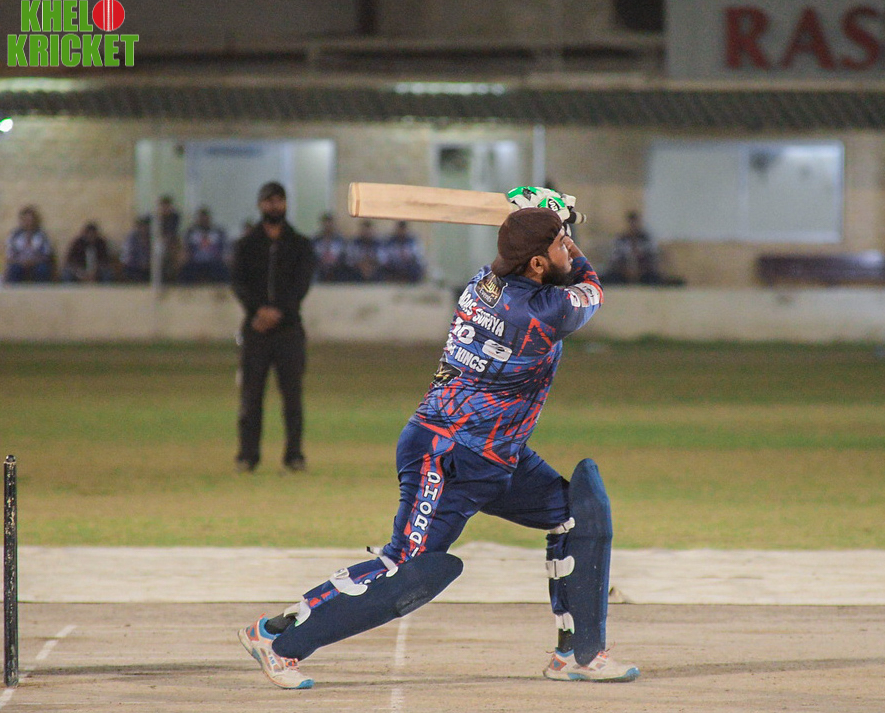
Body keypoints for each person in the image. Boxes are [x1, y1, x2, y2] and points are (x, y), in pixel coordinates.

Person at [237, 195, 639, 689]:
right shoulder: (542, 312)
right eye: (560, 243)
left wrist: (543, 223)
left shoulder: (483, 282)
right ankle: (278, 639)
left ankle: (578, 654)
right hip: (446, 453)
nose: (569, 248)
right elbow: (589, 285)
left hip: (497, 455)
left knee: (578, 513)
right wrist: (565, 233)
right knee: (409, 569)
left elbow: (541, 263)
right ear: (536, 264)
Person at [231, 182, 315, 474]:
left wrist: (279, 311)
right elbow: (238, 283)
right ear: (260, 204)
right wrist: (258, 310)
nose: (274, 206)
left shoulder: (300, 245)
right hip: (255, 331)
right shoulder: (246, 245)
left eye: (279, 200)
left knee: (292, 397)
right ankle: (247, 455)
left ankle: (294, 455)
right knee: (250, 397)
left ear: (286, 204)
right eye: (269, 201)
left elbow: (301, 285)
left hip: (289, 330)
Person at [602, 211, 684, 286]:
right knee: (607, 279)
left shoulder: (646, 240)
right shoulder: (621, 240)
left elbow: (652, 259)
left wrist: (641, 271)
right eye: (631, 224)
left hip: (644, 274)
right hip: (623, 274)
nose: (633, 227)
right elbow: (615, 260)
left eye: (635, 224)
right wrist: (625, 271)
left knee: (655, 279)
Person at [179, 207, 230, 284]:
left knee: (222, 269)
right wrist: (184, 255)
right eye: (201, 218)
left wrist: (225, 256)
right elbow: (186, 247)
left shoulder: (218, 232)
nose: (203, 220)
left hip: (214, 260)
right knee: (186, 270)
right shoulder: (191, 232)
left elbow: (224, 247)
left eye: (205, 218)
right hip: (195, 260)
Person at [4, 206, 54, 283]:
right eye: (25, 220)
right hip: (19, 263)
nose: (28, 223)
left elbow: (47, 256)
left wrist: (32, 261)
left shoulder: (42, 236)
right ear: (21, 221)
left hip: (37, 263)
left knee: (43, 269)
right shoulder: (14, 236)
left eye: (30, 220)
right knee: (14, 269)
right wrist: (21, 262)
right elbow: (10, 256)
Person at [310, 212, 348, 282]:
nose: (328, 226)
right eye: (326, 223)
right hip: (320, 267)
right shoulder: (315, 240)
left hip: (336, 268)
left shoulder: (340, 240)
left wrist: (335, 262)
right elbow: (312, 255)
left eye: (330, 223)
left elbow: (344, 256)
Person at [120, 216, 152, 283]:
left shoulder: (151, 238)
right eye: (142, 226)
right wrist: (139, 264)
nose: (144, 228)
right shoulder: (131, 238)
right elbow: (126, 258)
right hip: (133, 268)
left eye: (146, 226)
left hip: (148, 269)